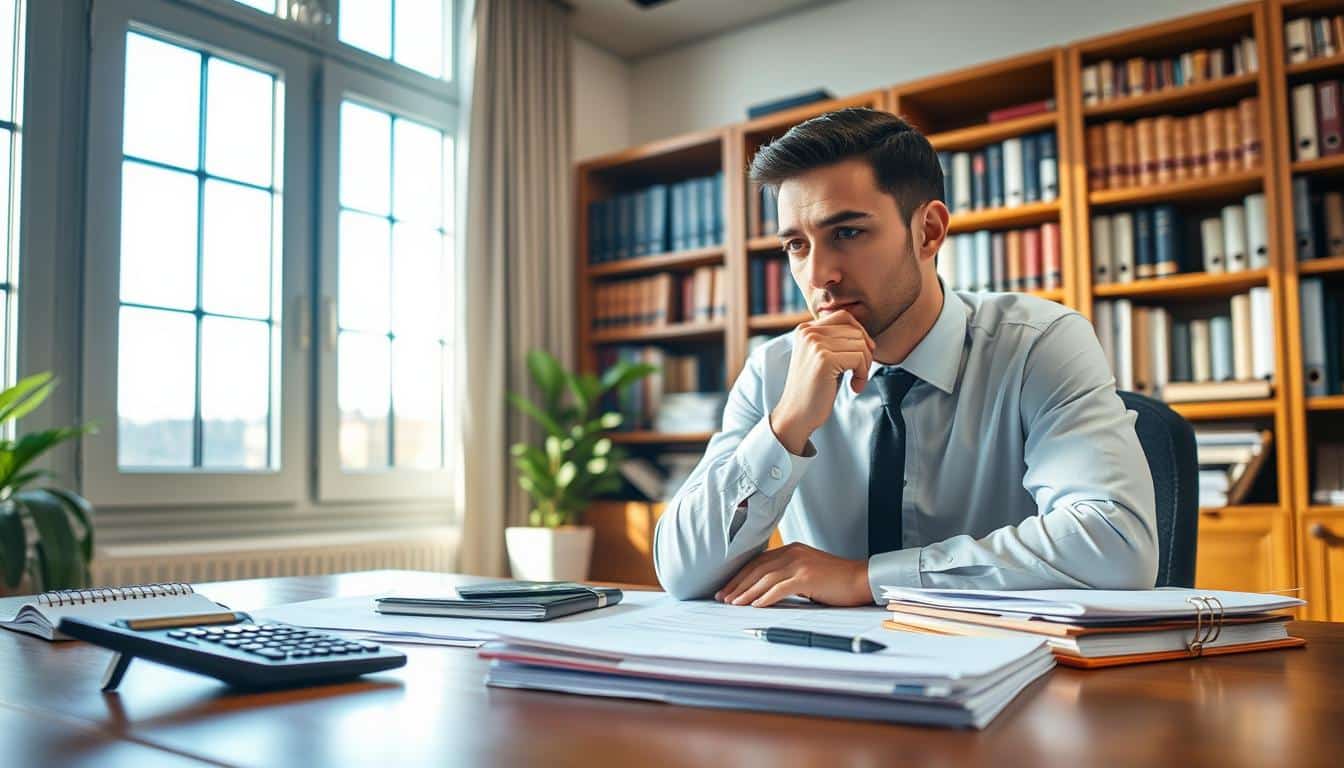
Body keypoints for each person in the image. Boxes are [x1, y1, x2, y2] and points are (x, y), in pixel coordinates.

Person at [653, 108, 1157, 607]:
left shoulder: (1039, 344)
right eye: (796, 245)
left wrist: (867, 580)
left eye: (847, 233)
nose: (818, 274)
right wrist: (786, 427)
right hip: (826, 670)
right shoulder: (773, 370)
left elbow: (1117, 545)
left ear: (929, 231)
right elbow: (681, 573)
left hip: (1005, 669)